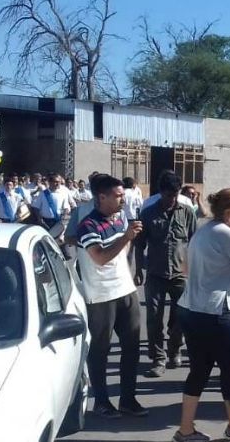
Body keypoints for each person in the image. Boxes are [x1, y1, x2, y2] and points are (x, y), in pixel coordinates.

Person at [172, 188, 230, 441]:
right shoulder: (226, 234)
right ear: (229, 213)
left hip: (191, 308)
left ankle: (186, 429)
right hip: (214, 310)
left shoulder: (204, 230)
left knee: (199, 370)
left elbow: (187, 268)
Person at [76, 174, 147, 418]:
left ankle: (128, 398)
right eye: (117, 196)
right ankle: (102, 401)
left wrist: (132, 269)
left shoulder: (120, 219)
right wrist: (126, 236)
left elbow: (123, 253)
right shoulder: (88, 225)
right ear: (101, 197)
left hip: (125, 290)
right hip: (101, 295)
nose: (122, 200)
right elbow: (100, 257)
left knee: (132, 348)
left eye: (123, 195)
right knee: (101, 350)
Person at [134, 172, 197, 378]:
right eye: (169, 195)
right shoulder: (148, 213)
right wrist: (137, 270)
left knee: (181, 317)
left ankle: (175, 349)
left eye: (175, 195)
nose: (172, 199)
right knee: (154, 318)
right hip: (155, 273)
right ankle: (157, 358)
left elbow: (195, 243)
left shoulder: (187, 212)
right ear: (160, 192)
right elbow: (139, 243)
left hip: (181, 273)